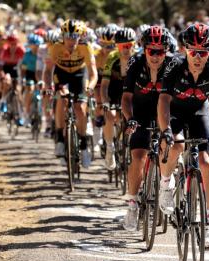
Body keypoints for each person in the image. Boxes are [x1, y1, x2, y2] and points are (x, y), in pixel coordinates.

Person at [157, 23, 209, 248]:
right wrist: (166, 129)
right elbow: (164, 101)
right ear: (185, 49)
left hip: (199, 111)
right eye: (193, 51)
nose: (198, 57)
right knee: (175, 145)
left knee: (207, 163)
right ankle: (165, 185)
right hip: (175, 111)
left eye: (203, 52)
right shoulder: (173, 65)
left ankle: (208, 224)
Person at [121, 25, 174, 230]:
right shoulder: (135, 63)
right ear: (144, 50)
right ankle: (132, 204)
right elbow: (126, 98)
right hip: (140, 112)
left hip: (165, 112)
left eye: (160, 51)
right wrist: (130, 118)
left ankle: (168, 183)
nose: (156, 56)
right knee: (138, 156)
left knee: (169, 149)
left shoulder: (172, 65)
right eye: (152, 51)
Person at [43, 19, 97, 168]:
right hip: (61, 75)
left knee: (80, 108)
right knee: (62, 98)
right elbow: (47, 72)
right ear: (62, 36)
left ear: (80, 36)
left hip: (79, 75)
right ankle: (60, 138)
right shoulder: (55, 48)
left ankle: (84, 144)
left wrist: (91, 87)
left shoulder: (86, 48)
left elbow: (93, 74)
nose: (71, 40)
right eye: (68, 36)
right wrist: (48, 86)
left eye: (75, 36)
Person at [99, 27, 136, 171]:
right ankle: (109, 147)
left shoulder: (138, 58)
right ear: (117, 46)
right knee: (110, 115)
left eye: (129, 45)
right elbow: (104, 86)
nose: (126, 49)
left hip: (132, 91)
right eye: (122, 46)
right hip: (115, 88)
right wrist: (105, 102)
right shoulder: (112, 58)